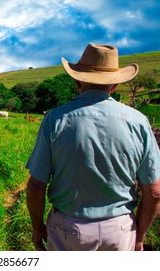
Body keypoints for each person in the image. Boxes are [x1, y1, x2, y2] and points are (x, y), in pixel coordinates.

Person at [25, 43, 160, 251]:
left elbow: (36, 185)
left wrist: (37, 226)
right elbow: (154, 192)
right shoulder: (139, 122)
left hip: (68, 230)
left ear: (78, 80)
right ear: (114, 85)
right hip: (120, 231)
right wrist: (139, 237)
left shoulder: (55, 119)